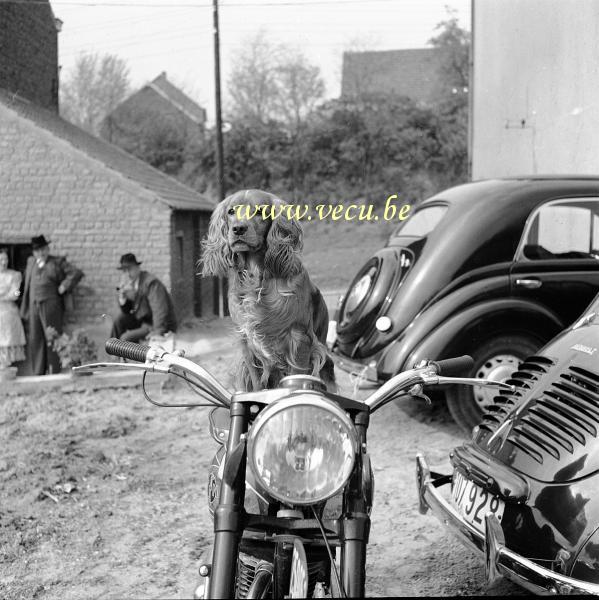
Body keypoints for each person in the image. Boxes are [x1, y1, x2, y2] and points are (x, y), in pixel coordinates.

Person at [20, 235, 84, 375]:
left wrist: (64, 285)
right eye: (37, 251)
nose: (41, 253)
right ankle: (38, 372)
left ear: (48, 249)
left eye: (43, 249)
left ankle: (55, 371)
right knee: (35, 339)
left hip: (51, 305)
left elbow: (76, 273)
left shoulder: (57, 262)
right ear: (33, 252)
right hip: (33, 306)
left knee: (53, 337)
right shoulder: (31, 263)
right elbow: (26, 284)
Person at [110, 253, 177, 343]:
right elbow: (127, 311)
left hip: (156, 324)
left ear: (137, 267)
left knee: (126, 338)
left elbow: (160, 310)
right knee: (119, 321)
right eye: (124, 271)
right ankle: (113, 351)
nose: (127, 274)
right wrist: (123, 298)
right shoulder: (132, 283)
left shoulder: (151, 283)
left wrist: (158, 332)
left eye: (129, 269)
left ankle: (127, 354)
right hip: (144, 320)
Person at [0, 248, 26, 370]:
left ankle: (6, 365)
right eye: (1, 259)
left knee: (8, 337)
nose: (3, 262)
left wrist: (11, 295)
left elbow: (15, 294)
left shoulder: (14, 275)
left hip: (8, 311)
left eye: (5, 259)